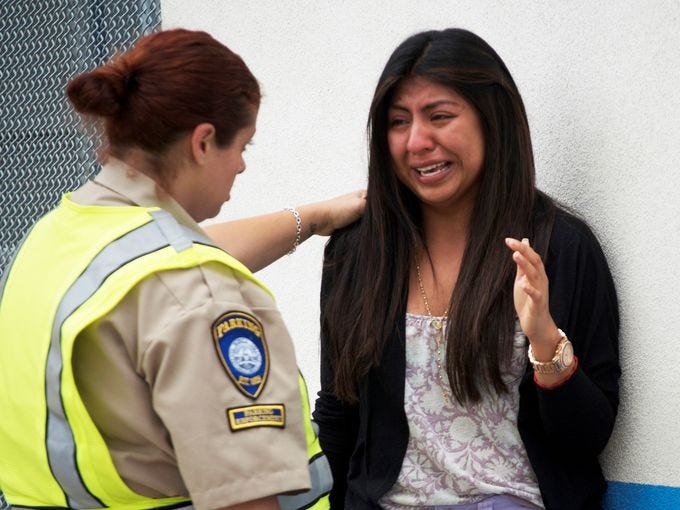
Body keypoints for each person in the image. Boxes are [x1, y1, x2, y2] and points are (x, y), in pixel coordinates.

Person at [0, 28, 365, 510]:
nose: (241, 167)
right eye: (243, 148)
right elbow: (247, 501)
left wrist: (313, 217)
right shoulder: (202, 293)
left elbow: (164, 266)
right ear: (203, 142)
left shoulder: (56, 236)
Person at [313, 28, 620, 510]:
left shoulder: (561, 247)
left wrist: (544, 339)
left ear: (491, 120)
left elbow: (588, 438)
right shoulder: (357, 253)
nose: (417, 141)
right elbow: (339, 411)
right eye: (398, 122)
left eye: (439, 116)